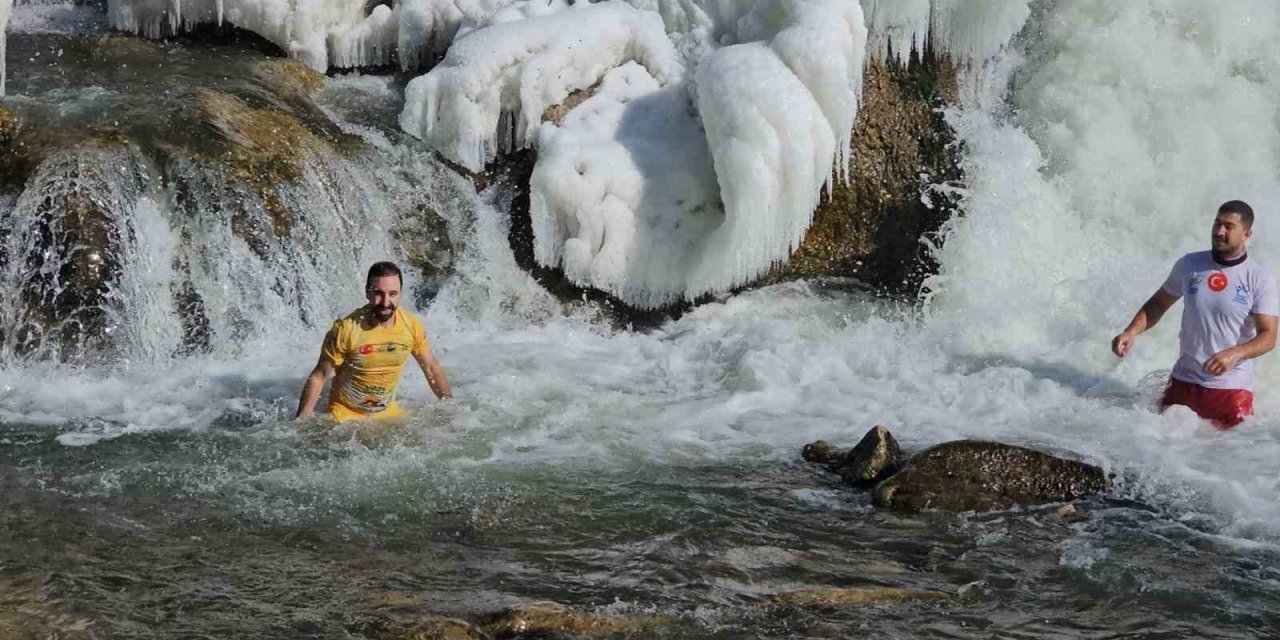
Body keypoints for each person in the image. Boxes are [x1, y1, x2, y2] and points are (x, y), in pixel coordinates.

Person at [1112, 200, 1279, 428]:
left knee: (1227, 457)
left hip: (1230, 390)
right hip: (1184, 383)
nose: (1219, 231)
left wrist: (1235, 353)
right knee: (1159, 449)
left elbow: (1268, 337)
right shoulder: (1190, 264)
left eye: (1229, 226)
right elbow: (1158, 303)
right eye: (1217, 223)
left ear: (1247, 234)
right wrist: (1131, 332)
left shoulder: (1259, 278)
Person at [296, 261, 452, 422]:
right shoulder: (346, 329)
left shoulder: (411, 325)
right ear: (367, 293)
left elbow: (431, 366)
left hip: (388, 414)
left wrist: (449, 403)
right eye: (378, 293)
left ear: (400, 294)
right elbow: (319, 376)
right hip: (345, 416)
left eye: (392, 294)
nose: (385, 302)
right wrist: (302, 420)